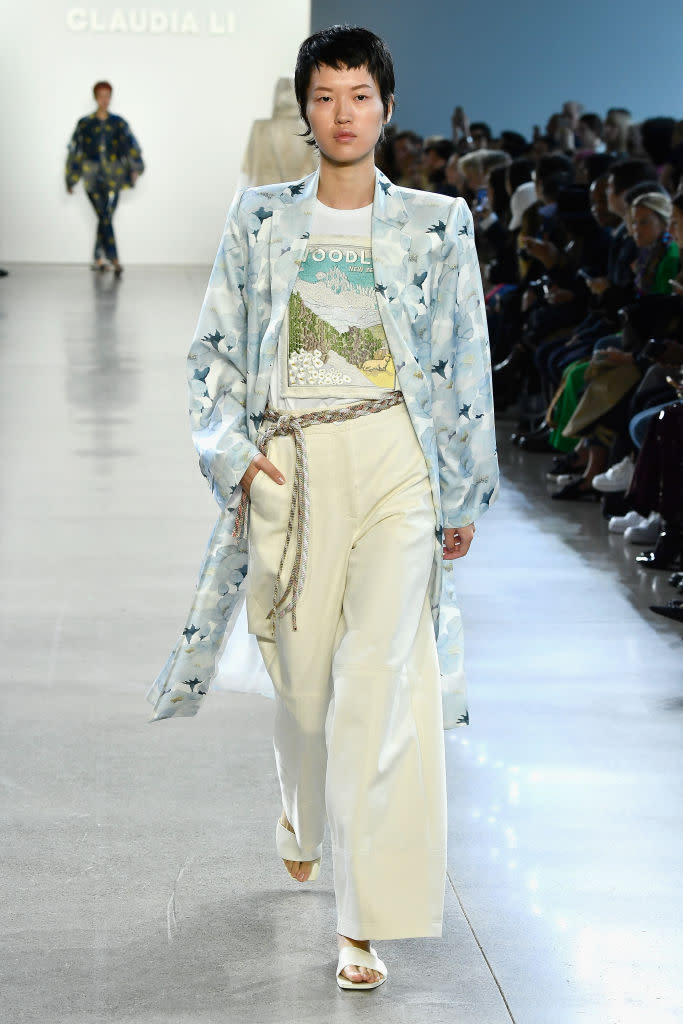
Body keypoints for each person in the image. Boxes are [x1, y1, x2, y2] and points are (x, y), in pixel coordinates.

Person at [146, 24, 498, 992]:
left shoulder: (435, 222)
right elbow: (210, 355)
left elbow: (464, 357)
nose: (342, 114)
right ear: (304, 110)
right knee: (303, 689)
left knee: (381, 686)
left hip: (395, 461)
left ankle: (362, 921)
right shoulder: (260, 219)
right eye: (325, 96)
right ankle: (300, 809)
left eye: (359, 95)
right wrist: (238, 464)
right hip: (292, 466)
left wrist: (459, 488)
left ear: (386, 107)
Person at [65, 81, 144, 275]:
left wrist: (135, 168)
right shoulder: (85, 123)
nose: (104, 100)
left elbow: (131, 145)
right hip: (91, 177)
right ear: (95, 97)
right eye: (101, 95)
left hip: (114, 177)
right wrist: (71, 178)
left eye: (107, 95)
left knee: (104, 216)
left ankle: (99, 258)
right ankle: (114, 258)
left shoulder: (118, 123)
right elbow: (76, 149)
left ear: (111, 97)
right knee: (104, 215)